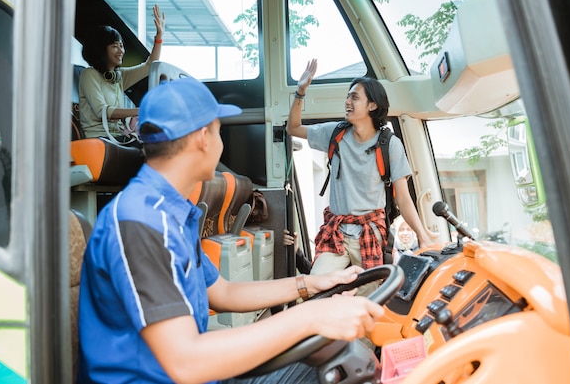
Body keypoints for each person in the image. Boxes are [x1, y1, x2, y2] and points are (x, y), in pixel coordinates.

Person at [78, 77, 385, 384]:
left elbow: (223, 292)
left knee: (335, 362)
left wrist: (311, 284)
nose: (220, 141)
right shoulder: (141, 222)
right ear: (203, 138)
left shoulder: (170, 212)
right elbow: (185, 362)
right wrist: (311, 317)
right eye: (219, 130)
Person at [286, 59, 432, 279]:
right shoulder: (335, 134)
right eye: (348, 96)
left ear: (372, 105)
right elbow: (293, 128)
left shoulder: (389, 145)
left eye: (354, 97)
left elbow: (403, 197)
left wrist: (422, 235)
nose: (347, 101)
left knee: (370, 297)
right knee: (313, 287)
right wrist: (300, 91)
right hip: (336, 232)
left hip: (370, 233)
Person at [78, 4, 165, 145]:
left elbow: (150, 65)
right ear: (101, 49)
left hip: (120, 136)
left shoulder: (118, 76)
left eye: (121, 45)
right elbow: (102, 112)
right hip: (99, 138)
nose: (121, 51)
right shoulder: (89, 75)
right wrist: (138, 111)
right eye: (114, 46)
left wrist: (159, 37)